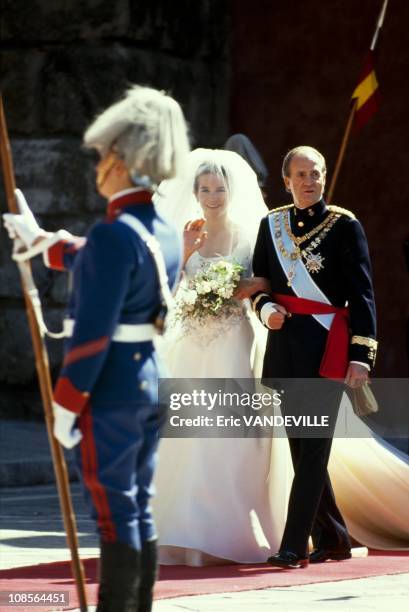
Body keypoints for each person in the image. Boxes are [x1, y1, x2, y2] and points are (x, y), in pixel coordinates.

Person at [3, 85, 189, 611]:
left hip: (109, 388)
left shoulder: (114, 234)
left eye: (106, 153)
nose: (98, 165)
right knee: (138, 507)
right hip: (150, 379)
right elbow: (110, 261)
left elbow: (90, 336)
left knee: (113, 512)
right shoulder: (162, 230)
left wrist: (65, 402)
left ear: (125, 160)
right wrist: (44, 241)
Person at [152, 148, 291, 565]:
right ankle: (183, 531)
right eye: (205, 189)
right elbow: (168, 290)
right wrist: (184, 251)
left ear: (231, 192)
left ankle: (228, 527)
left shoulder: (248, 235)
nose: (213, 196)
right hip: (191, 345)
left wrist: (243, 290)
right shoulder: (185, 232)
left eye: (219, 189)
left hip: (232, 341)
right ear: (194, 192)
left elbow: (264, 281)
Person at [251, 145, 377, 569]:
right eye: (301, 175)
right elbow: (262, 282)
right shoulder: (271, 224)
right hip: (286, 349)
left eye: (316, 174)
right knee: (301, 452)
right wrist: (266, 309)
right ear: (286, 180)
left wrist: (361, 356)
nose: (310, 181)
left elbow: (362, 295)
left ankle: (293, 545)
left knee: (314, 451)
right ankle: (335, 537)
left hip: (329, 348)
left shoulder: (344, 225)